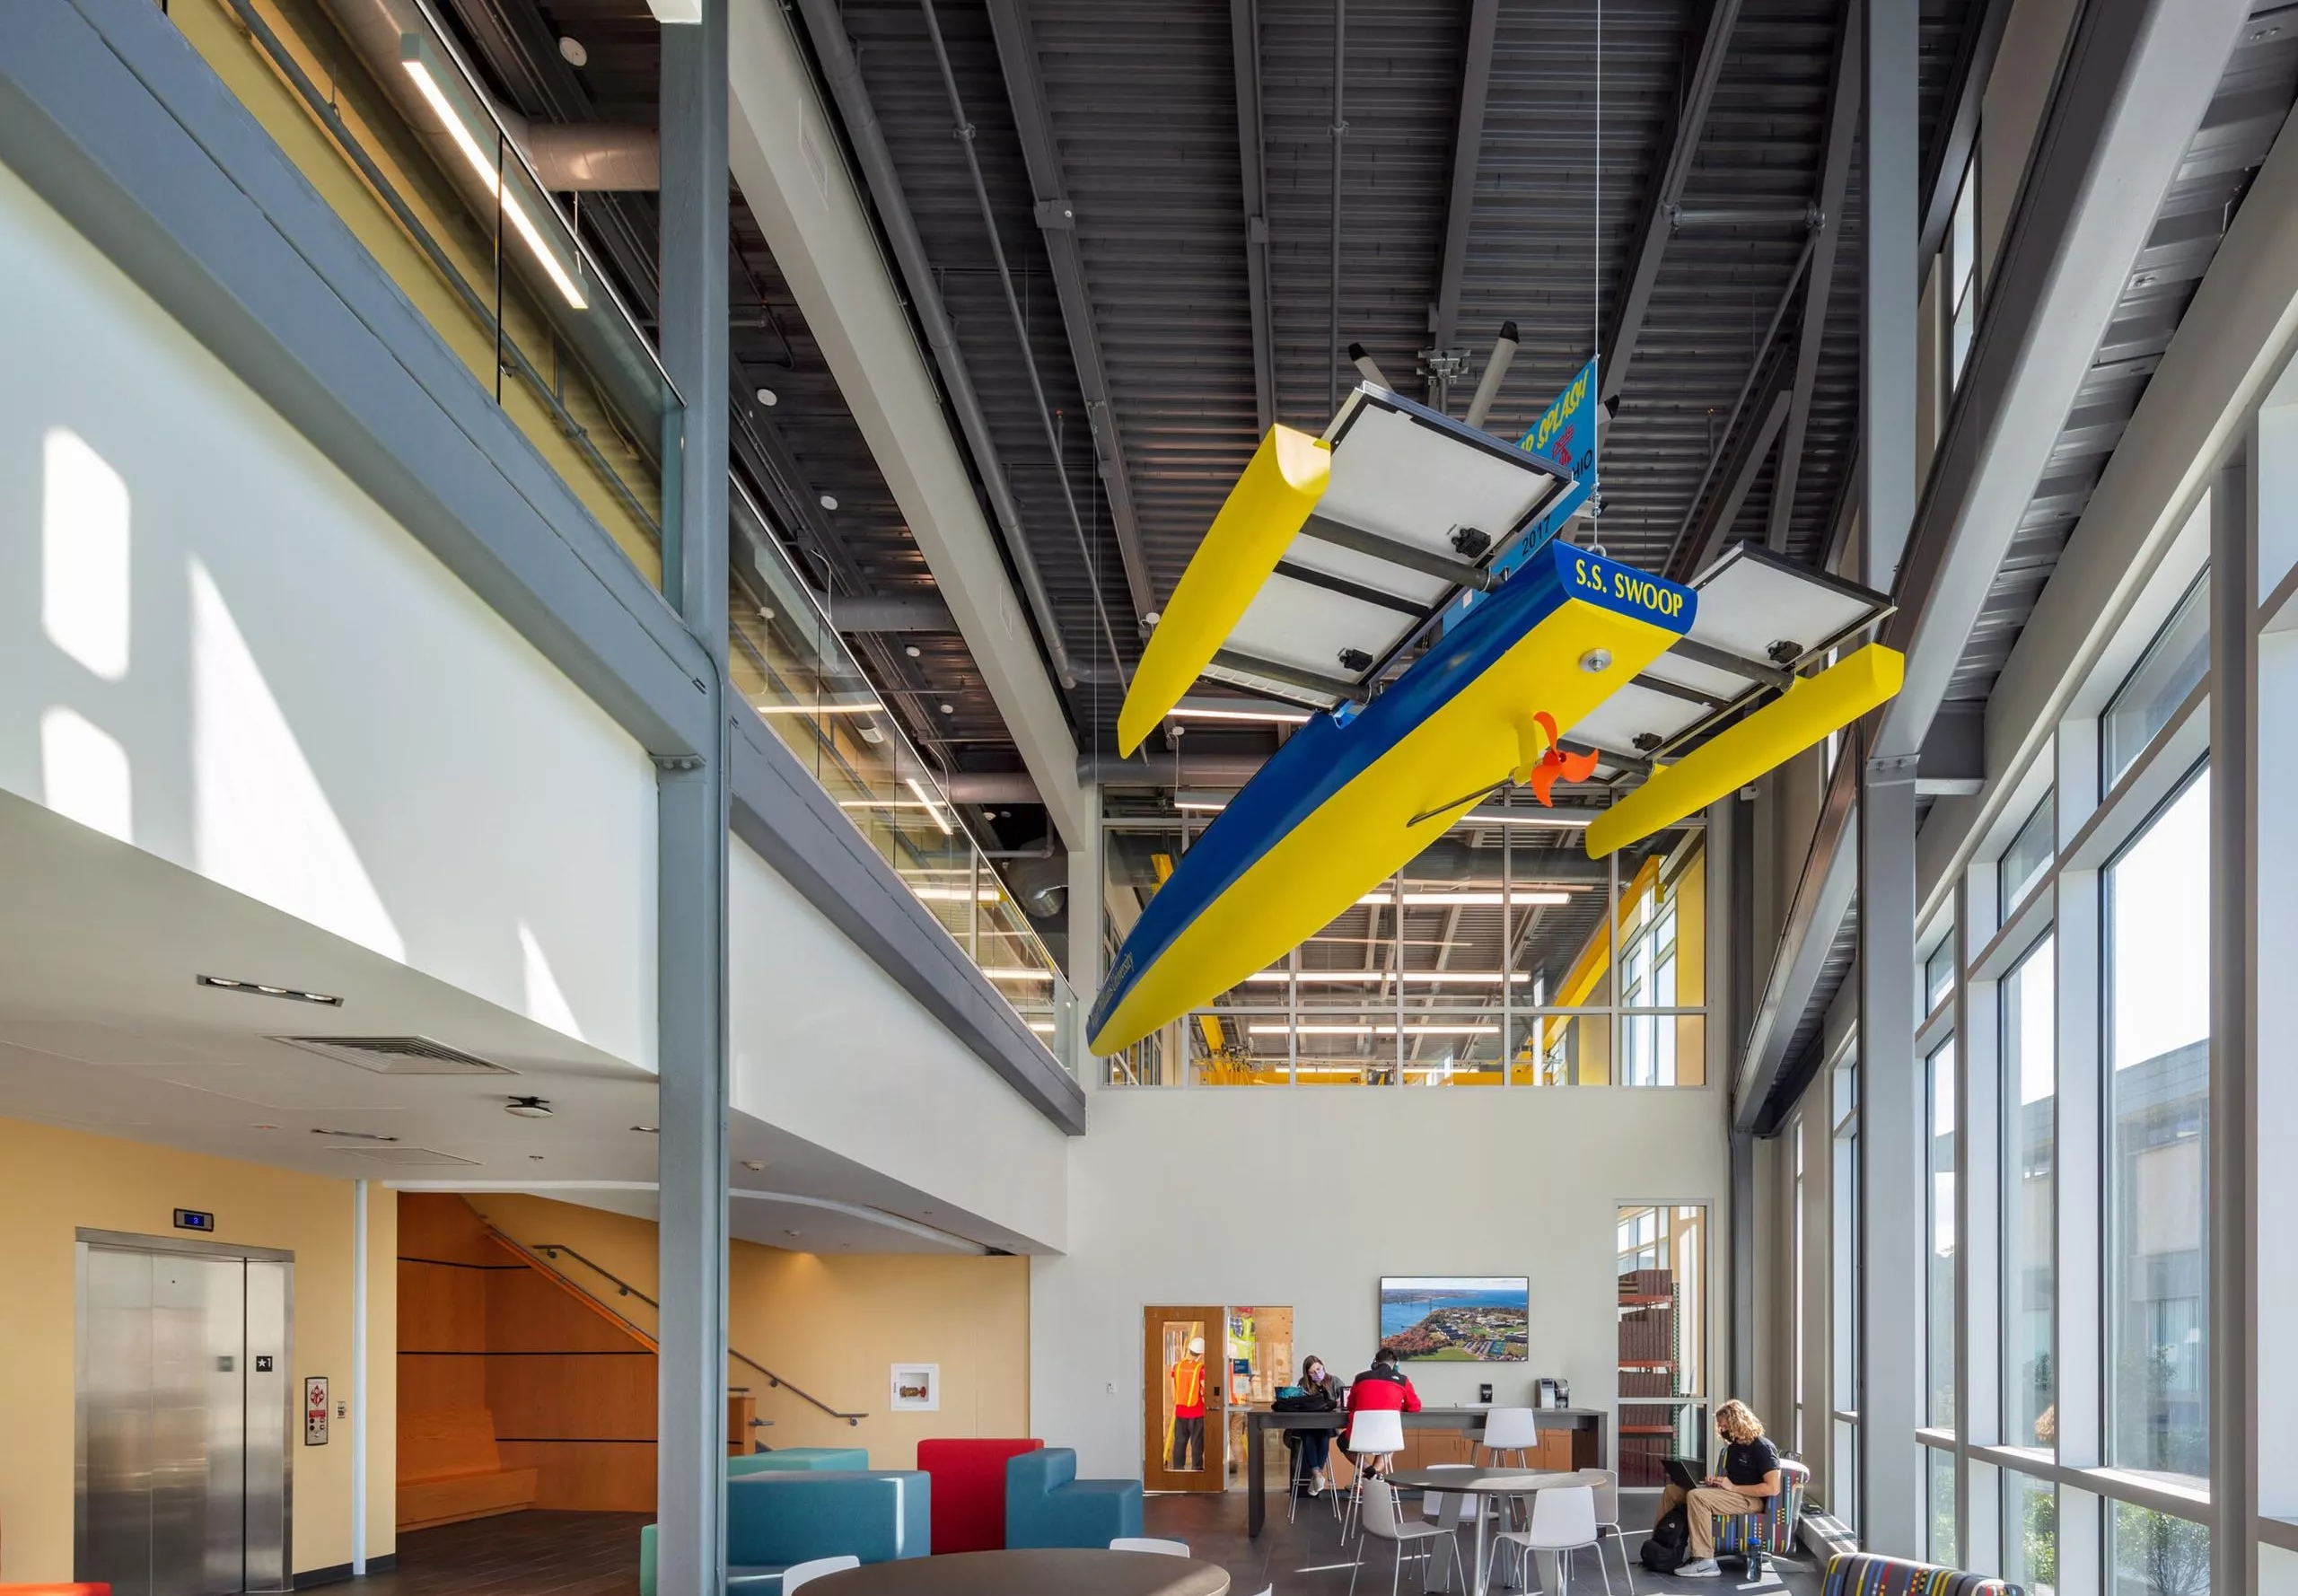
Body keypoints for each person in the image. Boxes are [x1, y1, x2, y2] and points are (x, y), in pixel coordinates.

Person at [1658, 1399, 1783, 1578]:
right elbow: (1734, 1480)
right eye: (1720, 1426)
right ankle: (1662, 1547)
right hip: (1733, 1495)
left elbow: (1772, 1488)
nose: (1722, 1430)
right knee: (1673, 1491)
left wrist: (1732, 1487)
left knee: (1696, 1497)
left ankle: (1705, 1560)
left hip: (1752, 1501)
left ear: (1738, 1422)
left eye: (1724, 1426)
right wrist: (1717, 1483)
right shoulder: (1734, 1449)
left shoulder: (1762, 1448)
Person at [1344, 1346, 1421, 1474]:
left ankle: (1368, 1472)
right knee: (1389, 1443)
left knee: (1343, 1441)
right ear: (1396, 1364)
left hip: (1360, 1436)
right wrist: (1397, 1407)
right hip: (1388, 1436)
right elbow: (1415, 1407)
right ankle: (1372, 1474)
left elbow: (1350, 1405)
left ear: (1375, 1363)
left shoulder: (1360, 1378)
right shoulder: (1403, 1380)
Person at [1289, 1354, 1345, 1495]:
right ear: (1307, 1373)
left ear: (1323, 1366)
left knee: (1323, 1436)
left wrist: (1337, 1402)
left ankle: (1316, 1475)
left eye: (1319, 1369)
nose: (1317, 1373)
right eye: (1312, 1372)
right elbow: (1299, 1402)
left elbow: (1345, 1398)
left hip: (1327, 1423)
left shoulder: (1334, 1381)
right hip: (1309, 1422)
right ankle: (1317, 1474)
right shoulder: (1303, 1383)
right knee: (1308, 1435)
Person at [1169, 1335, 1208, 1470]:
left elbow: (1173, 1388)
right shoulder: (1200, 1368)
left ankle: (1178, 1469)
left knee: (1179, 1441)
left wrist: (1177, 1403)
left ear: (1189, 1349)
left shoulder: (1177, 1367)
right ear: (1201, 1354)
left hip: (1180, 1411)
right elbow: (1205, 1388)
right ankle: (1197, 1469)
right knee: (1197, 1442)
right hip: (1197, 1412)